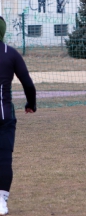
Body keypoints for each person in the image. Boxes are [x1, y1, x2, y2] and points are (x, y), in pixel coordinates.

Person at [0, 16, 36, 215]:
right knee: (4, 158)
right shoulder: (10, 54)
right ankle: (1, 201)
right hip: (4, 115)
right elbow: (28, 84)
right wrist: (31, 104)